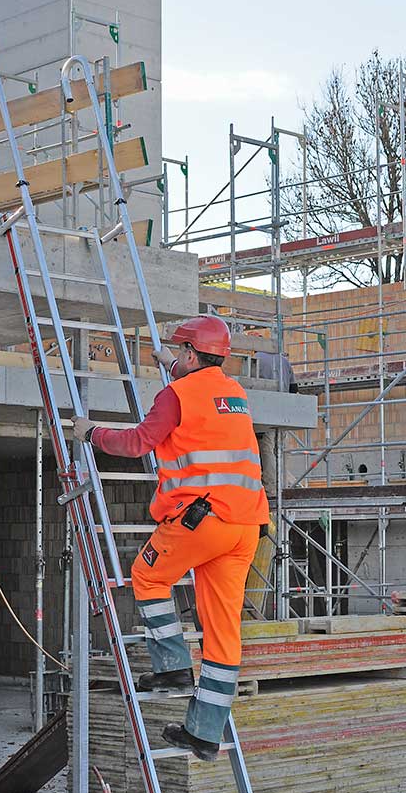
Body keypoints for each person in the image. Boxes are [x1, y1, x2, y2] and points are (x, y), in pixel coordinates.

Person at [72, 315, 269, 762]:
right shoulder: (234, 394)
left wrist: (91, 433)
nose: (177, 356)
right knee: (222, 632)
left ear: (192, 354)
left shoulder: (175, 395)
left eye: (180, 350)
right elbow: (201, 388)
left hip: (202, 519)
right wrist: (171, 363)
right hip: (246, 525)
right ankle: (204, 733)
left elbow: (137, 443)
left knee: (147, 576)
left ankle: (172, 667)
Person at [253, 343, 299, 500]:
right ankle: (282, 485)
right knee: (280, 449)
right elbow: (294, 388)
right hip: (284, 411)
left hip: (265, 411)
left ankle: (271, 488)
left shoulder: (256, 359)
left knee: (266, 448)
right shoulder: (284, 361)